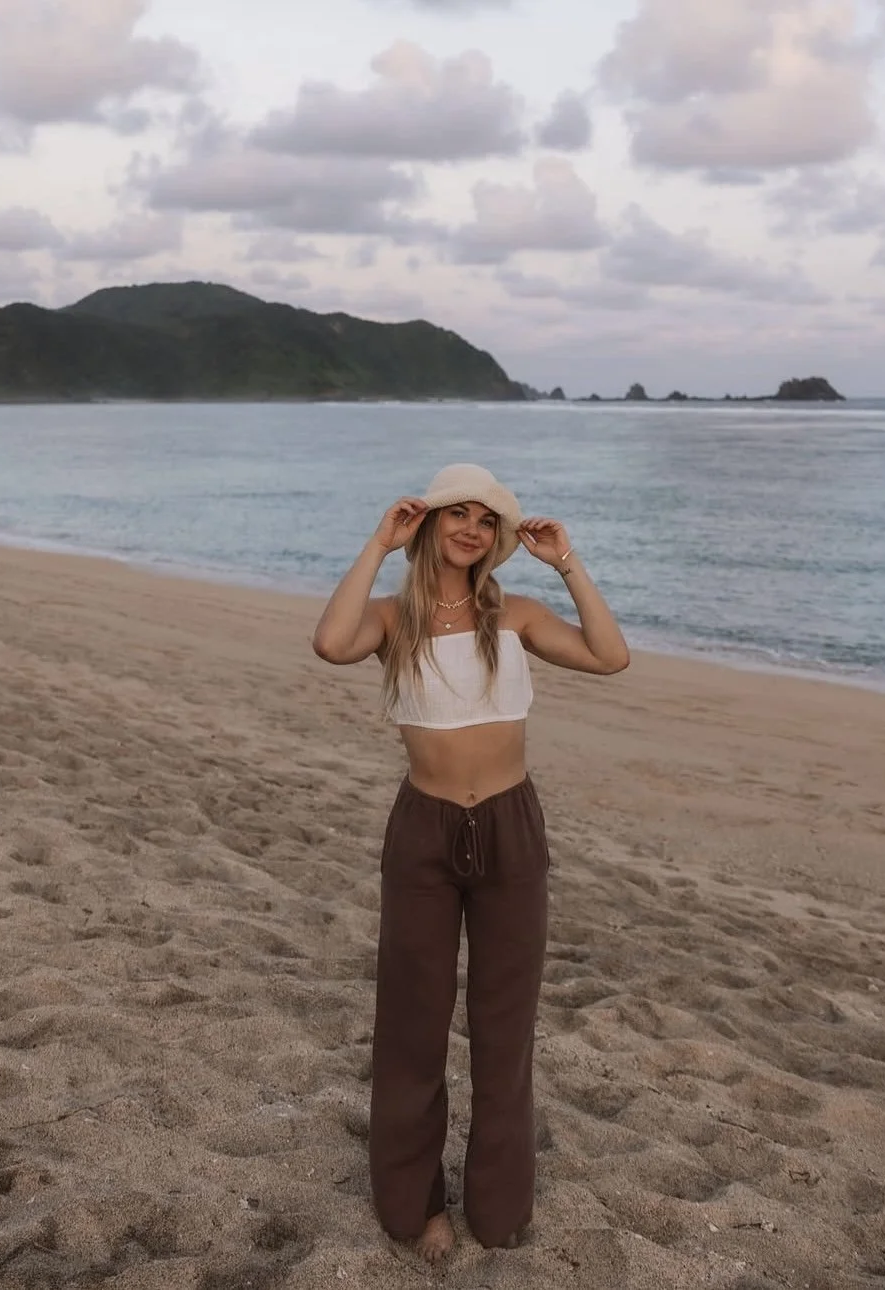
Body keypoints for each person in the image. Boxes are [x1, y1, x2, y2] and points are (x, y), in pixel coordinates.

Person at [311, 463, 629, 1263]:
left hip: (512, 826)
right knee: (413, 1023)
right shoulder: (393, 618)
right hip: (423, 828)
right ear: (427, 527)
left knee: (504, 1026)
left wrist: (567, 562)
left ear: (496, 539)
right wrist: (378, 545)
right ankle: (413, 1208)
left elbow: (609, 655)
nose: (471, 531)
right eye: (455, 515)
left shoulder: (514, 614)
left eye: (485, 522)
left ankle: (497, 1206)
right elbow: (329, 642)